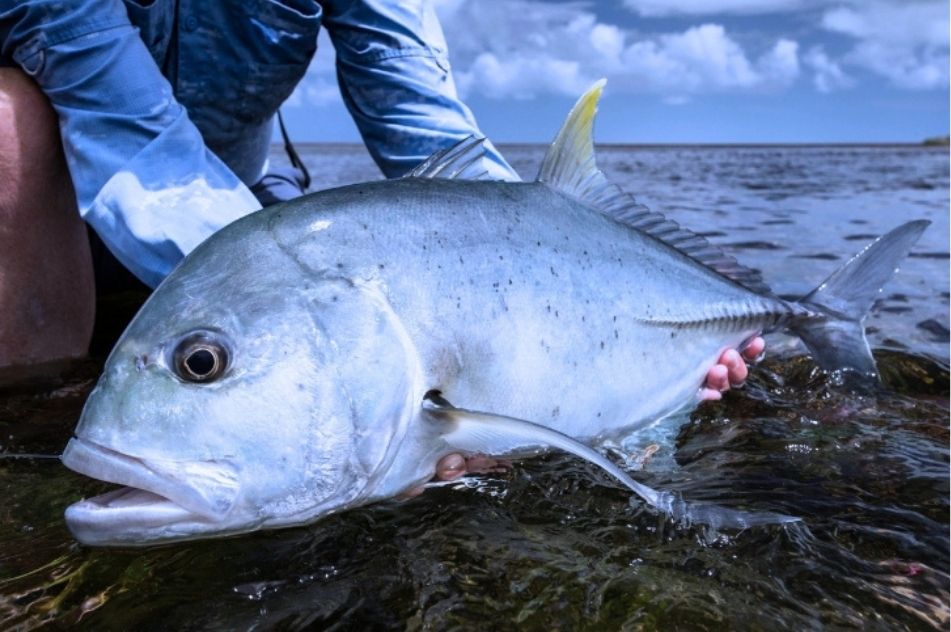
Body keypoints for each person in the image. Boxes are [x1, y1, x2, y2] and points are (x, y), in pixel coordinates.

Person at [0, 0, 762, 486]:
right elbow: (139, 142)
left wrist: (572, 278)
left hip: (237, 222)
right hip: (60, 223)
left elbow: (425, 124)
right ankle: (34, 400)